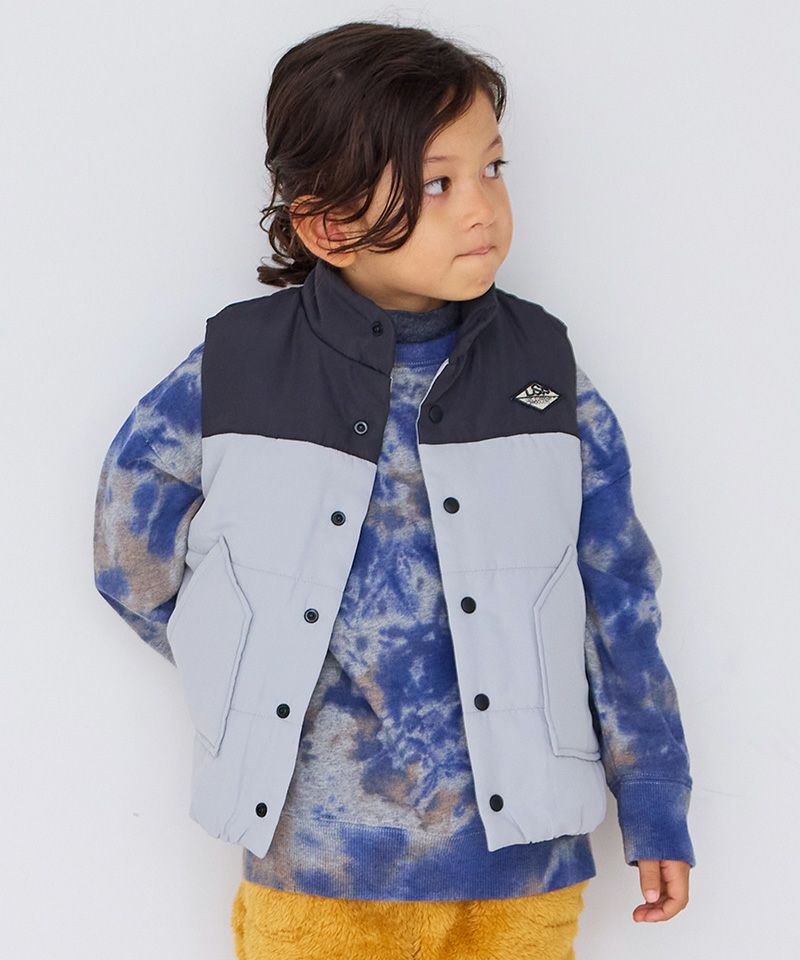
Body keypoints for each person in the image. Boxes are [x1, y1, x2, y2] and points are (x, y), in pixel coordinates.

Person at [93, 19, 695, 959]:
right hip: (317, 863)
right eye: (437, 184)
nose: (482, 208)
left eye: (492, 168)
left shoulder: (544, 370)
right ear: (327, 224)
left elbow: (617, 598)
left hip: (523, 868)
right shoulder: (240, 366)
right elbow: (128, 548)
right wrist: (243, 650)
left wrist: (653, 798)